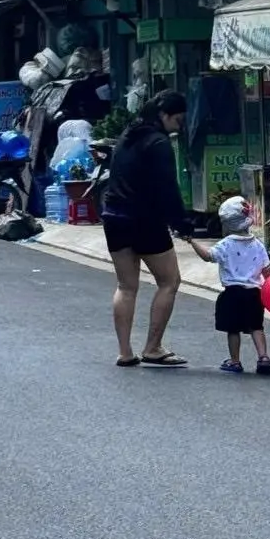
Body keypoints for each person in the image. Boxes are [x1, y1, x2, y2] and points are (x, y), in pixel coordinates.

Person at [102, 90, 191, 368]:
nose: (178, 127)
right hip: (145, 219)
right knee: (169, 281)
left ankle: (125, 351)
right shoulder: (159, 143)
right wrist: (181, 224)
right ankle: (153, 347)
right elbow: (167, 188)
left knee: (126, 286)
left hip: (114, 215)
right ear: (164, 116)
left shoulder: (129, 135)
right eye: (177, 121)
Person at [188, 195, 270, 375]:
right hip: (254, 294)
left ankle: (235, 361)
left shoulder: (226, 244)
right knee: (256, 327)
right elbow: (267, 271)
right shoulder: (258, 244)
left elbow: (208, 256)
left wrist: (192, 241)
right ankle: (263, 357)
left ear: (226, 224)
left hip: (232, 293)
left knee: (233, 329)